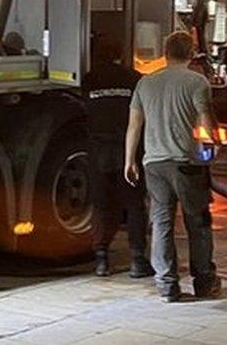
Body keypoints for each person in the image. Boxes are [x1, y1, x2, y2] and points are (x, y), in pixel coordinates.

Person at [124, 31, 222, 302]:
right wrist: (211, 146)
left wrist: (129, 160)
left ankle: (167, 285)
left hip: (154, 164)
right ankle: (204, 281)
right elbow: (204, 121)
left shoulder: (145, 84)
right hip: (186, 163)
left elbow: (134, 125)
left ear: (165, 53)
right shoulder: (197, 82)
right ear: (191, 53)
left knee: (162, 223)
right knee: (198, 223)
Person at [83, 36, 153, 279]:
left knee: (101, 205)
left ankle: (102, 260)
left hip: (97, 148)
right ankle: (137, 259)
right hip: (127, 149)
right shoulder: (133, 79)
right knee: (134, 204)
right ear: (121, 53)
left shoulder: (89, 79)